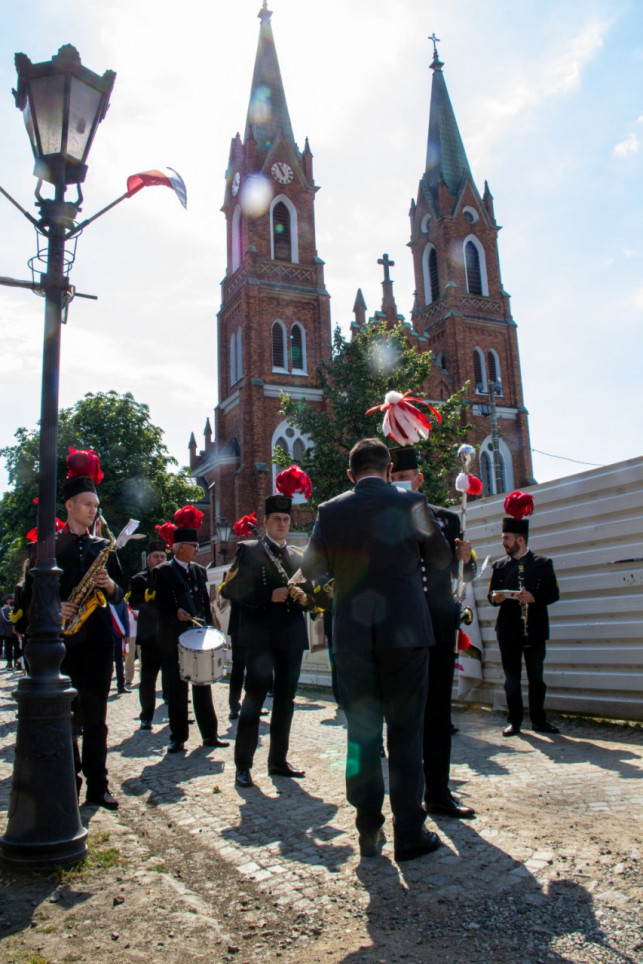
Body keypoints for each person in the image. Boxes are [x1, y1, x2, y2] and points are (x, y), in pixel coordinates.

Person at [303, 438, 452, 862]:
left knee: (361, 733)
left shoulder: (330, 511)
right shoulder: (415, 503)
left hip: (352, 638)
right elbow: (440, 560)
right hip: (406, 636)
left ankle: (368, 828)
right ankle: (409, 831)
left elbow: (311, 571)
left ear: (351, 475)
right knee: (406, 733)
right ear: (389, 470)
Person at [21, 449, 123, 809]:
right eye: (86, 503)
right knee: (65, 720)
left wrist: (109, 586)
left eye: (95, 504)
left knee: (96, 718)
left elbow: (122, 594)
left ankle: (99, 784)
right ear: (68, 506)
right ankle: (70, 779)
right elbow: (24, 602)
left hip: (96, 642)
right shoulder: (44, 548)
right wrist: (53, 607)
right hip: (61, 645)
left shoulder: (103, 547)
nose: (93, 509)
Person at [390, 445, 477, 819]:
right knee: (405, 714)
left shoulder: (445, 519)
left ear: (419, 479)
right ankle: (407, 796)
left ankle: (439, 794)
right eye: (393, 479)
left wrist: (466, 558)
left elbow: (467, 575)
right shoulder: (383, 521)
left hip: (440, 626)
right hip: (402, 628)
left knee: (438, 712)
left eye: (404, 478)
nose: (399, 484)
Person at [220, 493, 315, 788]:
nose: (282, 524)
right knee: (254, 699)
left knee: (286, 701)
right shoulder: (249, 551)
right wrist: (266, 596)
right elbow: (228, 589)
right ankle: (243, 765)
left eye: (286, 519)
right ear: (265, 522)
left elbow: (311, 598)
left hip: (291, 637)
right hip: (259, 638)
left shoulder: (299, 557)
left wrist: (305, 598)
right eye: (276, 519)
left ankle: (278, 760)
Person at [152, 507, 228, 754]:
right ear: (180, 547)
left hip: (197, 636)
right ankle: (178, 736)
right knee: (176, 688)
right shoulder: (162, 571)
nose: (197, 549)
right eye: (194, 546)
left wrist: (209, 625)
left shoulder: (198, 570)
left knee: (202, 684)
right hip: (174, 637)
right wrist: (174, 613)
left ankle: (209, 734)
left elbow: (204, 601)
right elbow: (156, 605)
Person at [488, 491, 560, 737]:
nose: (503, 543)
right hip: (508, 630)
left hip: (535, 628)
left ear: (520, 540)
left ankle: (539, 720)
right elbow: (491, 596)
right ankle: (514, 721)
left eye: (506, 538)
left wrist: (534, 598)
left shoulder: (542, 563)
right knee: (511, 679)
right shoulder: (499, 566)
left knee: (536, 678)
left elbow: (553, 594)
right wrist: (495, 598)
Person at [127, 540, 168, 730]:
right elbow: (134, 602)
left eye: (163, 556)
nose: (159, 559)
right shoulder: (139, 579)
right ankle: (146, 715)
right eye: (156, 557)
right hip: (150, 635)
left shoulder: (172, 575)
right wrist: (145, 596)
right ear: (149, 559)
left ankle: (176, 713)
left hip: (170, 634)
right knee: (148, 678)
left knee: (174, 677)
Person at [1, 595, 18, 669]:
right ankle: (9, 662)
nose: (12, 600)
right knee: (8, 648)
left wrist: (16, 626)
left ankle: (17, 662)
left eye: (13, 599)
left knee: (18, 648)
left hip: (17, 631)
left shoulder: (18, 608)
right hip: (8, 632)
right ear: (7, 600)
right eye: (11, 599)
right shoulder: (3, 610)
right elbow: (5, 620)